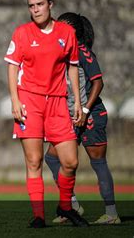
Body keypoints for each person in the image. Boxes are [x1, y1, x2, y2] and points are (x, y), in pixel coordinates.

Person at [4, 0, 90, 228]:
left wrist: (78, 101)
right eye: (31, 6)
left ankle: (65, 207)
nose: (35, 10)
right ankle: (39, 216)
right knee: (34, 161)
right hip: (29, 100)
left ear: (50, 4)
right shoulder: (22, 33)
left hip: (58, 102)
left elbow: (72, 66)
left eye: (39, 4)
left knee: (71, 161)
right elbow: (12, 66)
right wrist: (15, 100)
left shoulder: (67, 32)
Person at [45, 12, 120, 224]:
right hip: (70, 114)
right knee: (51, 158)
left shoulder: (82, 51)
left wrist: (85, 111)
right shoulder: (60, 51)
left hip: (91, 114)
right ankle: (72, 206)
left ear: (73, 30)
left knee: (98, 162)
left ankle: (112, 213)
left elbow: (98, 83)